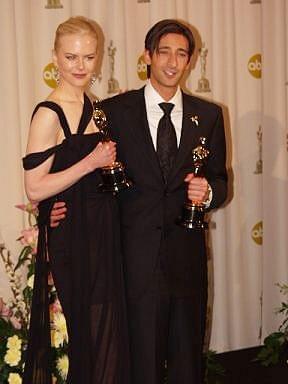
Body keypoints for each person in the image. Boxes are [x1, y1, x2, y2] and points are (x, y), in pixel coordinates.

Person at [52, 19, 228, 384]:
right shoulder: (113, 112)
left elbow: (221, 181)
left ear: (190, 60)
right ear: (147, 55)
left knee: (186, 365)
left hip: (186, 263)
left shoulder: (209, 116)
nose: (172, 62)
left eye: (181, 54)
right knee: (136, 367)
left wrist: (207, 193)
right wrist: (54, 210)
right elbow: (88, 177)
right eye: (164, 52)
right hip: (130, 265)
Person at [22, 16, 130, 384]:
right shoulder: (48, 113)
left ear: (98, 57)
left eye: (88, 57)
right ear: (55, 57)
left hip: (104, 231)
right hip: (76, 239)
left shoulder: (96, 105)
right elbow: (34, 188)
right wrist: (91, 162)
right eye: (71, 57)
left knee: (109, 338)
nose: (80, 66)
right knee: (91, 339)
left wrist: (109, 166)